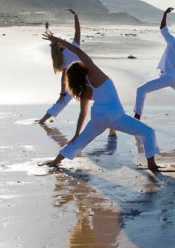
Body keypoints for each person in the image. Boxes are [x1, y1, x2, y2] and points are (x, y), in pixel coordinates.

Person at [40, 32, 161, 170]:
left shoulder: (82, 89)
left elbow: (82, 114)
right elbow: (78, 51)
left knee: (80, 141)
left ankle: (56, 161)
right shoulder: (95, 74)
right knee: (148, 132)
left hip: (98, 117)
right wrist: (56, 39)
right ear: (82, 68)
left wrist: (76, 134)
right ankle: (152, 164)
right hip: (116, 116)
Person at [38, 9, 81, 124]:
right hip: (86, 79)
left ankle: (42, 120)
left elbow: (64, 77)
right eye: (61, 40)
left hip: (74, 83)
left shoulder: (61, 58)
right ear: (60, 45)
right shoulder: (74, 47)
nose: (63, 40)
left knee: (61, 103)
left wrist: (62, 93)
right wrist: (75, 15)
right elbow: (77, 30)